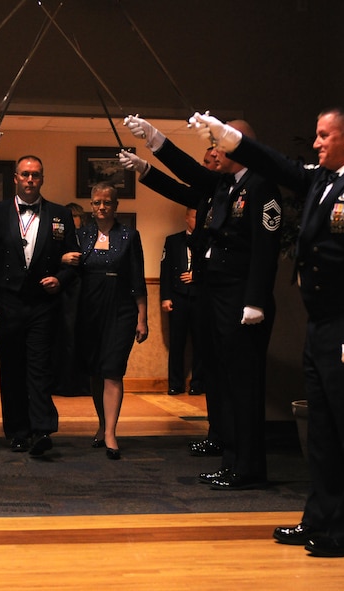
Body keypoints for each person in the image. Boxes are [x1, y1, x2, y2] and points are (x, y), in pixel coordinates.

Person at [191, 105, 344, 557]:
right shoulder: (324, 180)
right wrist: (231, 139)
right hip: (321, 325)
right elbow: (279, 165)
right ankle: (319, 519)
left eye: (324, 135)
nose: (316, 142)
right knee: (322, 431)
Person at [122, 116, 281, 489]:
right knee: (223, 380)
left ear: (240, 146)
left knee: (243, 385)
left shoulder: (261, 185)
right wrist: (154, 146)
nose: (214, 152)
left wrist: (255, 300)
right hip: (217, 294)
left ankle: (248, 467)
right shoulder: (227, 184)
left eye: (220, 144)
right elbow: (189, 179)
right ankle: (231, 461)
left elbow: (266, 249)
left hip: (242, 298)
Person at [120, 147, 222, 457]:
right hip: (181, 298)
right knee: (179, 345)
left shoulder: (230, 195)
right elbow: (176, 188)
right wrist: (144, 167)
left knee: (207, 352)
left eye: (209, 162)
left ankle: (205, 399)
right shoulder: (179, 234)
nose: (204, 167)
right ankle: (185, 394)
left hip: (214, 297)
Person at [0, 155, 77, 456]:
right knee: (12, 368)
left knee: (40, 366)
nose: (30, 180)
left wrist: (61, 279)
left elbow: (74, 260)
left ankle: (42, 429)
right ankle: (18, 432)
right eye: (25, 174)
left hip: (43, 303)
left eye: (36, 175)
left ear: (42, 179)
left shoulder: (60, 214)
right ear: (16, 178)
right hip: (8, 302)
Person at [63, 182, 148, 459]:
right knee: (95, 371)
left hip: (121, 309)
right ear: (91, 205)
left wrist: (142, 318)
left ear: (115, 205)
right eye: (97, 202)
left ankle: (111, 432)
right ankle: (102, 424)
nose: (102, 207)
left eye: (107, 202)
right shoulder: (81, 235)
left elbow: (137, 279)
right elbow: (69, 271)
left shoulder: (129, 235)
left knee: (113, 369)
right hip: (90, 309)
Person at [160, 207, 204, 396]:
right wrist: (165, 297)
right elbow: (165, 270)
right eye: (194, 216)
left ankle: (198, 383)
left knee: (201, 342)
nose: (197, 220)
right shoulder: (173, 241)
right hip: (178, 297)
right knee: (176, 343)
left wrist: (198, 275)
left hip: (200, 297)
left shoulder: (209, 239)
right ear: (187, 218)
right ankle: (175, 384)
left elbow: (214, 267)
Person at [53, 201, 90, 397]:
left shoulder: (88, 235)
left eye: (74, 216)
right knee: (63, 337)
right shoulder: (57, 235)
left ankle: (83, 384)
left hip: (84, 290)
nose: (71, 219)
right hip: (62, 290)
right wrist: (61, 259)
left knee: (83, 337)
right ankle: (62, 383)